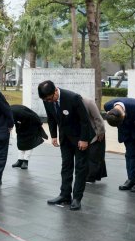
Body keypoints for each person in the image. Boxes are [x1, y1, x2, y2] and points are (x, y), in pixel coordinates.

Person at [38, 80, 93, 211]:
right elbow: (51, 117)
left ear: (55, 91)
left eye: (50, 98)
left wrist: (84, 139)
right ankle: (65, 195)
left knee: (80, 168)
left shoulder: (73, 98)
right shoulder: (47, 100)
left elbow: (85, 120)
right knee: (66, 166)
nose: (49, 101)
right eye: (46, 100)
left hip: (80, 137)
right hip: (65, 138)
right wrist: (54, 135)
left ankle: (77, 198)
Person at [103, 97, 135, 192]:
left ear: (124, 114)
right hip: (127, 133)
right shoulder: (107, 106)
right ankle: (131, 179)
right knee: (130, 156)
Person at [9, 104, 47, 169]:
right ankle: (20, 160)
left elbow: (11, 123)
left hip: (32, 123)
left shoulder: (12, 112)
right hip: (22, 123)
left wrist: (11, 127)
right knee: (20, 142)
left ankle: (25, 161)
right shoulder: (9, 110)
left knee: (29, 143)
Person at [83, 97, 107, 183]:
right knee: (91, 154)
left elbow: (98, 118)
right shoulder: (73, 104)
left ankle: (91, 177)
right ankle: (91, 175)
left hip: (96, 132)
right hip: (85, 131)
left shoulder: (88, 102)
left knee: (95, 154)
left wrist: (101, 132)